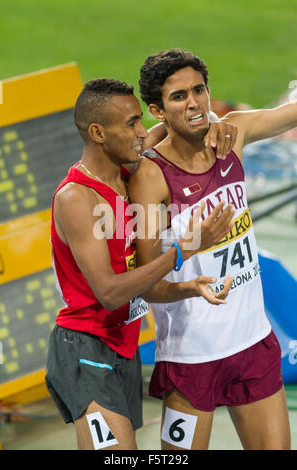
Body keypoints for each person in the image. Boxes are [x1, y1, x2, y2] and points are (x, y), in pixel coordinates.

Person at [45, 78, 237, 450]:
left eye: (140, 121)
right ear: (98, 132)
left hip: (123, 346)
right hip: (85, 349)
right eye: (131, 123)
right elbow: (110, 292)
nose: (141, 133)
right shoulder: (77, 199)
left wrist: (218, 121)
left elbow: (174, 123)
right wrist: (184, 251)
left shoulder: (125, 170)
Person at [129, 48, 297, 450]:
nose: (194, 103)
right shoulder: (151, 178)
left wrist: (220, 121)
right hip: (193, 359)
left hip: (255, 345)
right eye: (178, 97)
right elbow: (146, 283)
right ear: (157, 110)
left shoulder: (232, 134)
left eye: (198, 90)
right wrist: (192, 256)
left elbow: (289, 114)